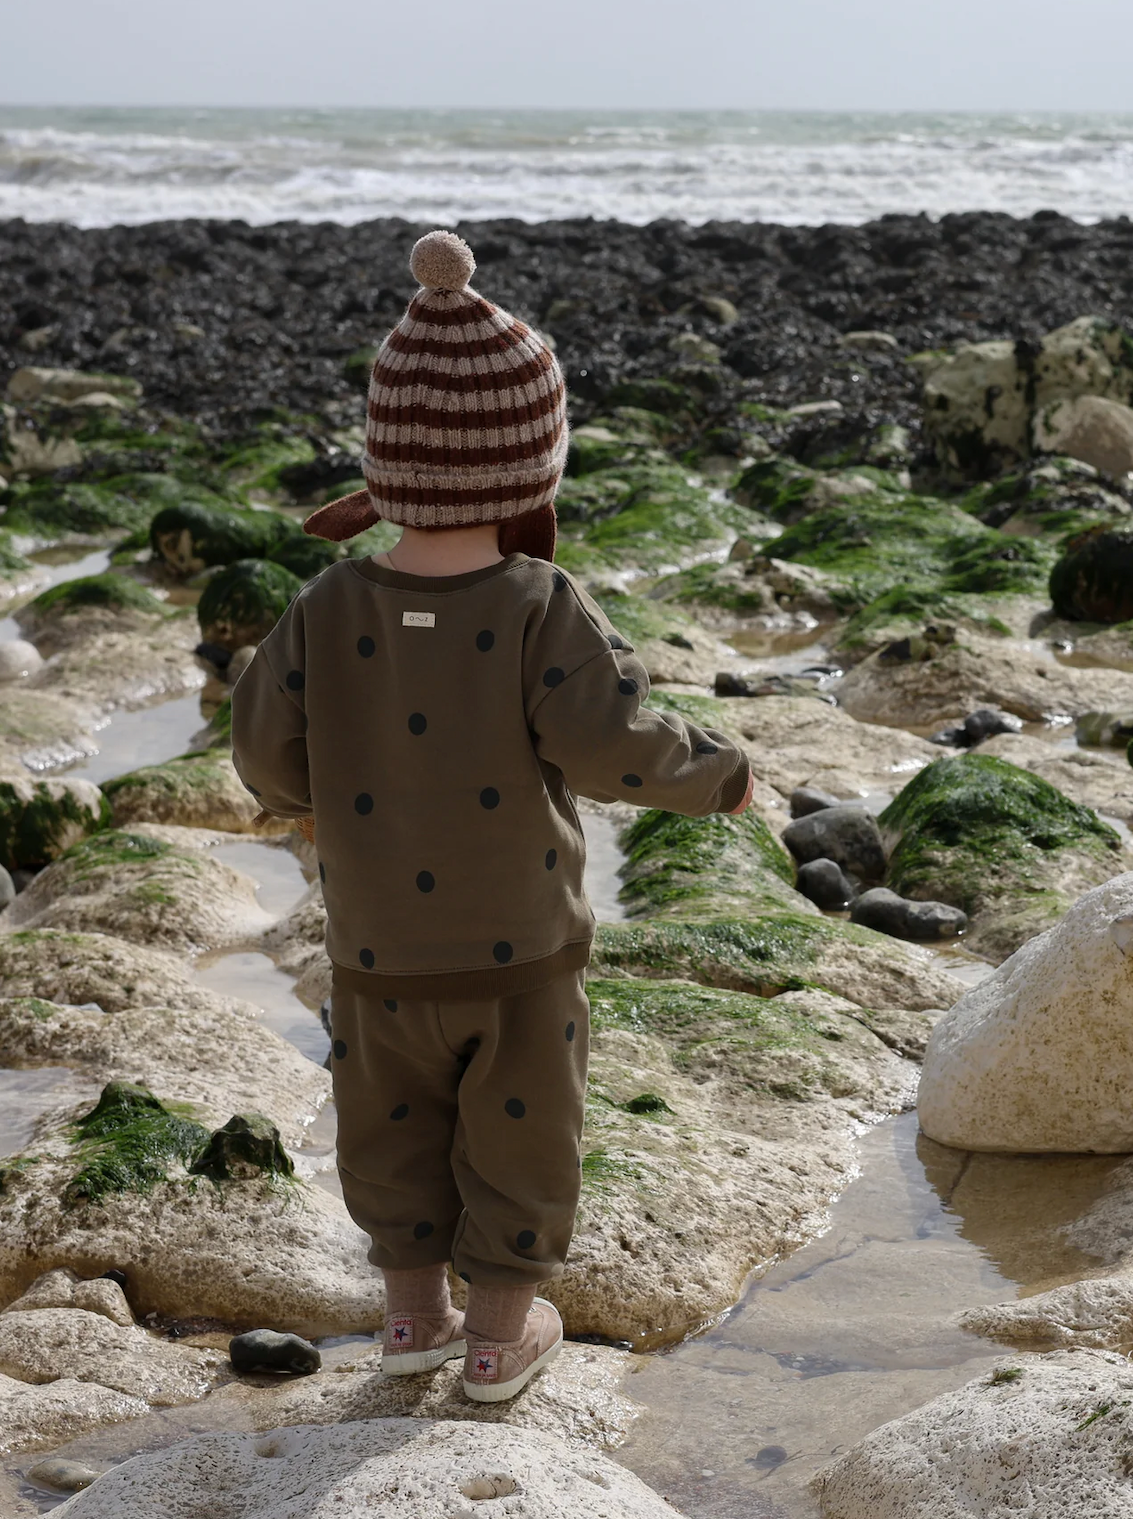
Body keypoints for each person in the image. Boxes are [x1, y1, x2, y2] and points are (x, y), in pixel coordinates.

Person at [231, 229, 753, 1402]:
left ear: (390, 458)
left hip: (373, 952)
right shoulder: (538, 603)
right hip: (521, 953)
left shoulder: (324, 604)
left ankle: (411, 1319)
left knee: (390, 1128)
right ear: (533, 463)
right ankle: (495, 1339)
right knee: (519, 1132)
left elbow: (262, 746)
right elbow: (608, 741)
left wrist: (314, 803)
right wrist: (716, 772)